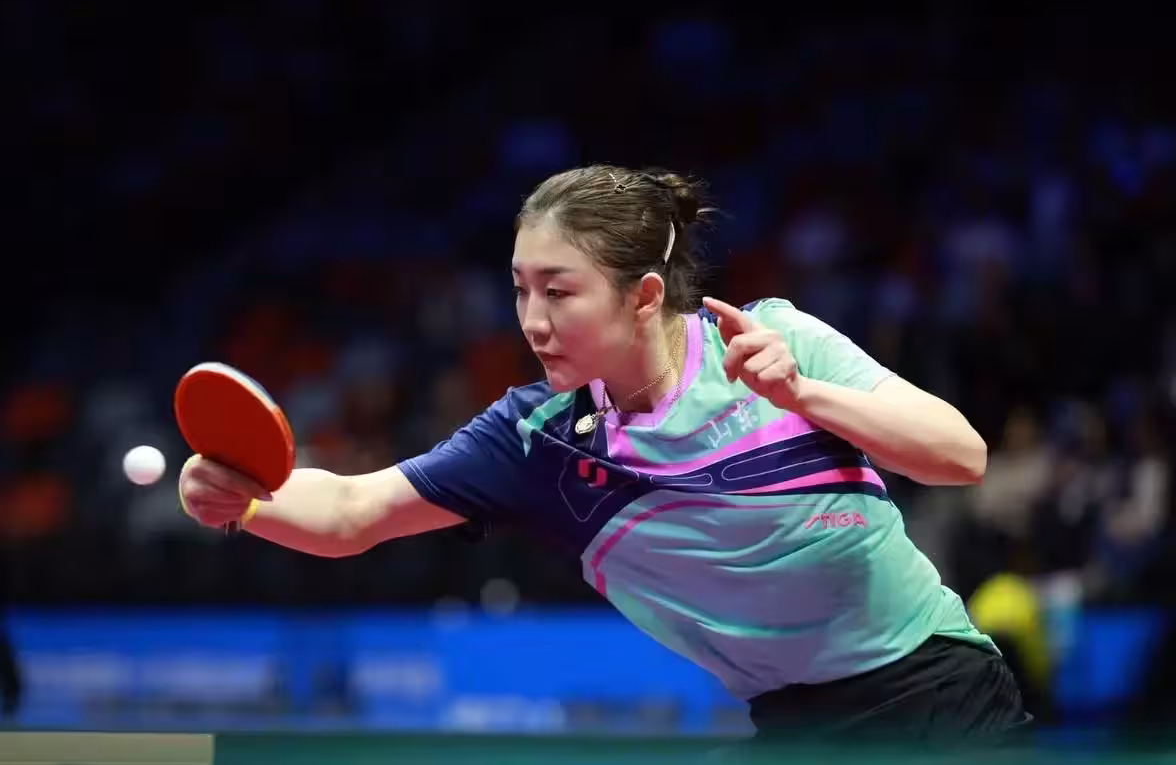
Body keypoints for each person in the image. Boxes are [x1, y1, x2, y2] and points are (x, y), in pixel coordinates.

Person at [179, 165, 1028, 749]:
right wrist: (242, 496)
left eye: (559, 291)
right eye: (521, 289)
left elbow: (959, 455)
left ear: (644, 295)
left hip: (940, 697)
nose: (533, 320)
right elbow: (350, 513)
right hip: (794, 725)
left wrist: (803, 394)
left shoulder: (773, 339)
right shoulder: (537, 439)